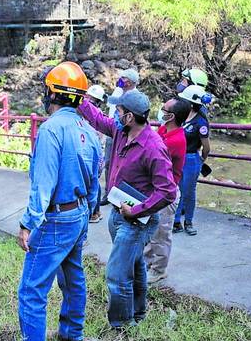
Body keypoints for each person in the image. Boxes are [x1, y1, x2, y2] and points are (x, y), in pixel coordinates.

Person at [17, 61, 102, 341]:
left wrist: (28, 224)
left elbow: (43, 185)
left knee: (32, 290)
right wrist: (87, 217)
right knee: (73, 280)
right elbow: (94, 184)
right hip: (78, 215)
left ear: (52, 93)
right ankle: (71, 336)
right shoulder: (88, 130)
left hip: (56, 218)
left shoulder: (51, 130)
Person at [77, 90, 176, 329]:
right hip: (119, 213)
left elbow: (168, 191)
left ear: (130, 116)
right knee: (136, 265)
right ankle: (139, 313)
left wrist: (139, 210)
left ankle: (121, 325)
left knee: (117, 275)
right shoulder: (122, 132)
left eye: (119, 112)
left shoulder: (153, 147)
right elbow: (99, 120)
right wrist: (78, 98)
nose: (116, 115)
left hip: (135, 221)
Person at [144, 97, 191, 285]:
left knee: (161, 234)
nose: (161, 111)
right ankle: (147, 263)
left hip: (166, 193)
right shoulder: (164, 130)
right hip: (155, 189)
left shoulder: (176, 139)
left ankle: (159, 269)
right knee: (150, 230)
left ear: (171, 116)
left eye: (164, 109)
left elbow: (150, 154)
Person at [173, 85, 212, 236]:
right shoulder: (181, 117)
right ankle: (175, 221)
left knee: (188, 191)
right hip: (178, 157)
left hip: (191, 158)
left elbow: (206, 146)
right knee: (176, 189)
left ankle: (188, 221)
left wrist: (201, 159)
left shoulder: (200, 122)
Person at [86, 84, 108, 224]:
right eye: (88, 97)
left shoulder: (97, 115)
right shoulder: (90, 114)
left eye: (92, 99)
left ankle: (94, 212)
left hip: (96, 152)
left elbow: (98, 135)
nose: (89, 101)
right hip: (93, 150)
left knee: (93, 180)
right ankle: (96, 211)